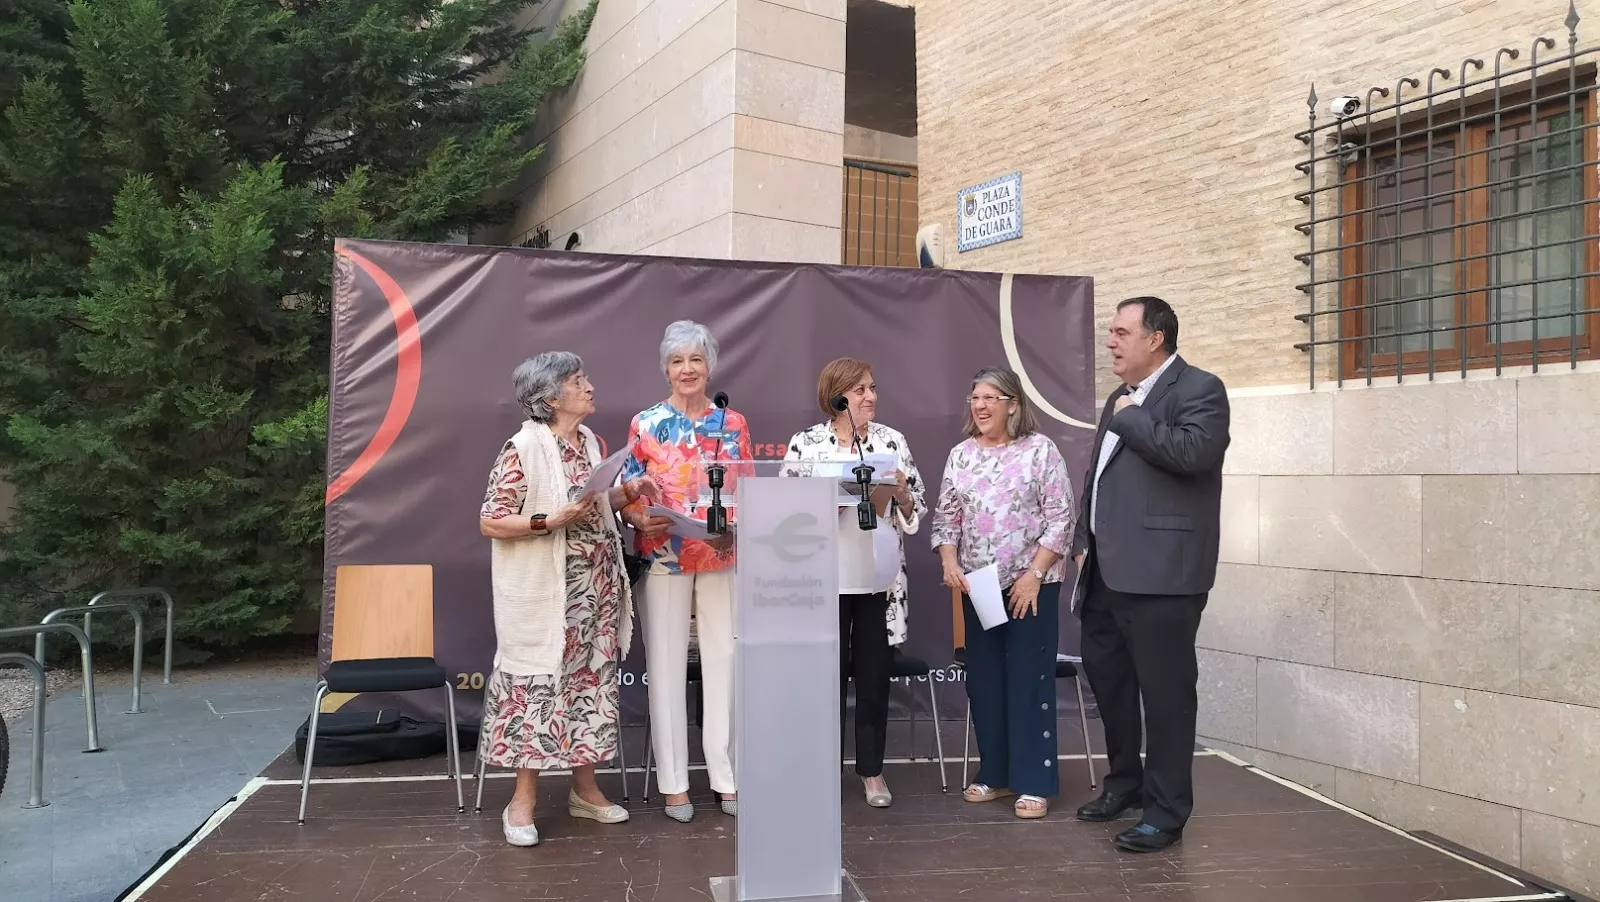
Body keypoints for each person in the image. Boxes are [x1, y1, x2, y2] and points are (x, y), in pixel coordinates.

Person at [478, 351, 661, 848]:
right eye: (580, 381)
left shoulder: (590, 441)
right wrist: (547, 521)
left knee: (589, 685)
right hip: (547, 595)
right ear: (550, 396)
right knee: (538, 689)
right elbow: (491, 520)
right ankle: (522, 802)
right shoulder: (522, 448)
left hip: (596, 591)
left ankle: (585, 791)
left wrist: (628, 492)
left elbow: (594, 505)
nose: (590, 387)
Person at [1070, 296, 1230, 853]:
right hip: (1106, 575)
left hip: (1164, 578)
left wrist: (1134, 417)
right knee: (1111, 688)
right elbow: (1098, 479)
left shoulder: (1200, 389)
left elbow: (1192, 454)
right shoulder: (1121, 396)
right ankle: (1125, 786)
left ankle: (1166, 813)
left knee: (1165, 699)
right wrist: (1080, 542)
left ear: (1155, 338)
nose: (1110, 342)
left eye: (1120, 332)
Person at [619, 320, 752, 822]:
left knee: (725, 662)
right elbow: (628, 496)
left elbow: (744, 487)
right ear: (666, 368)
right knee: (669, 668)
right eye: (677, 361)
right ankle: (674, 783)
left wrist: (734, 525)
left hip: (720, 553)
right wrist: (640, 516)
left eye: (696, 359)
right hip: (663, 554)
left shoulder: (733, 422)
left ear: (710, 364)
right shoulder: (645, 423)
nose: (687, 369)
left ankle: (726, 776)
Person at [931, 365, 1074, 820]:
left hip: (1032, 585)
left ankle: (1033, 783)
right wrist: (950, 561)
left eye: (991, 397)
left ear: (1013, 404)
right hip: (982, 588)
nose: (980, 405)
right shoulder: (961, 455)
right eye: (975, 397)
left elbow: (1061, 517)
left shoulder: (1040, 451)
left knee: (1028, 681)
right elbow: (946, 517)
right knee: (986, 682)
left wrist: (1035, 573)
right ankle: (994, 774)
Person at [782, 358, 926, 808]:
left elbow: (915, 508)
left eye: (872, 388)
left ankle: (872, 772)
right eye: (861, 389)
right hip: (824, 581)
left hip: (877, 581)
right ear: (838, 396)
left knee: (873, 678)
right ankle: (820, 767)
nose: (871, 396)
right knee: (822, 680)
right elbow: (786, 513)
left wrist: (900, 491)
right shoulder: (806, 444)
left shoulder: (890, 441)